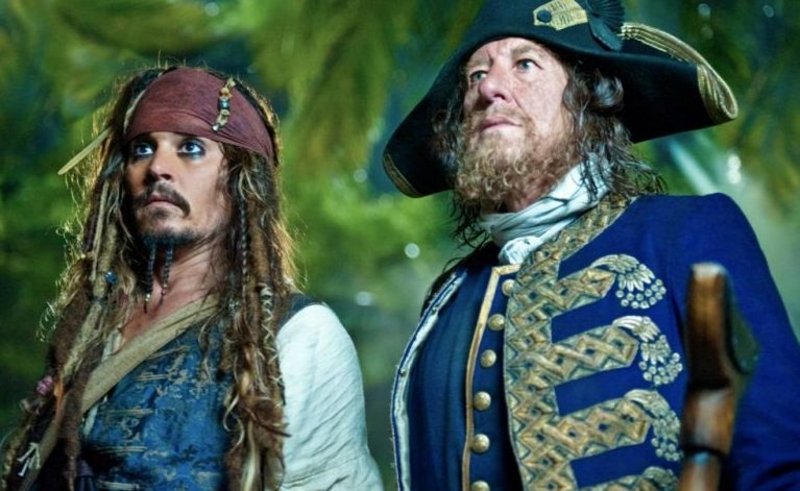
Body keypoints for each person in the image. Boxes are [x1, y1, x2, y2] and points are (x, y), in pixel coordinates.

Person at [383, 1, 800, 490]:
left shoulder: (686, 232)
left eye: (524, 64)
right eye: (476, 75)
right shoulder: (449, 299)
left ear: (586, 99)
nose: (489, 88)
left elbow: (780, 464)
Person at [1, 65, 382, 490]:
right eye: (142, 148)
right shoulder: (92, 325)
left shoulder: (300, 335)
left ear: (239, 179)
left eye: (191, 148)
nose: (158, 167)